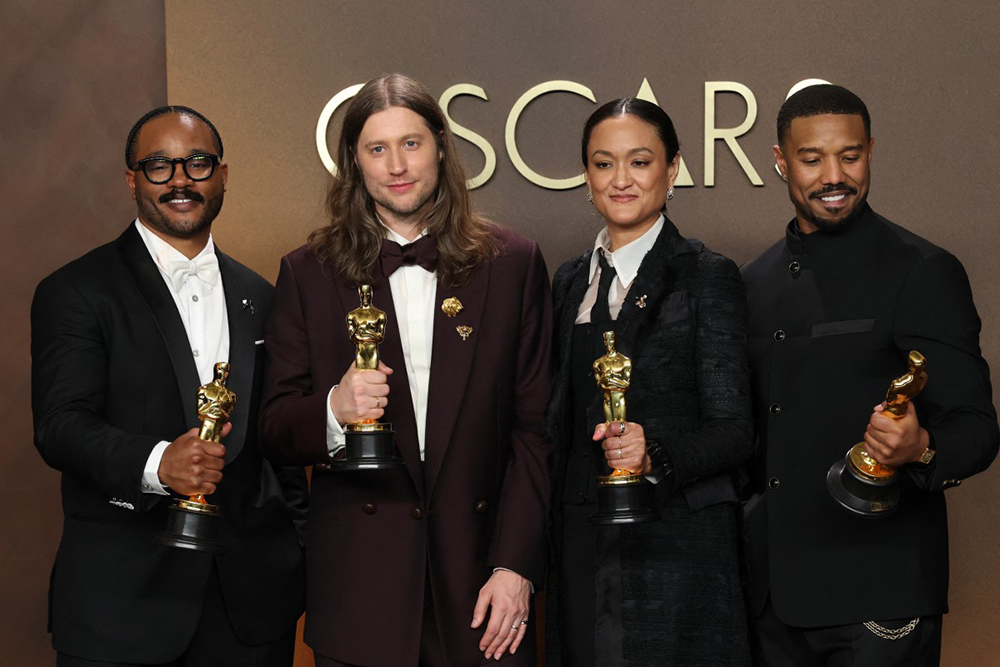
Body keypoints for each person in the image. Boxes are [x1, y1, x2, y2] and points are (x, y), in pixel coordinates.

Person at [258, 73, 552, 666]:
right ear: (354, 163)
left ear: (441, 147)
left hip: (483, 591)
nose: (397, 164)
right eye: (376, 148)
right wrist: (332, 412)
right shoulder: (307, 273)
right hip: (360, 593)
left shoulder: (514, 263)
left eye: (411, 143)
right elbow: (274, 429)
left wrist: (514, 565)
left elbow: (536, 431)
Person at [31, 106, 307, 666]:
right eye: (159, 165)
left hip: (250, 612)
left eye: (197, 163)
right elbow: (60, 426)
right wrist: (159, 464)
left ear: (223, 175)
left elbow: (276, 442)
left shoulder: (264, 296)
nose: (180, 179)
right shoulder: (77, 290)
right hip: (122, 608)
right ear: (132, 179)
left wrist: (296, 547)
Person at [741, 84, 999, 666]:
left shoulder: (924, 270)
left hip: (880, 599)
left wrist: (923, 448)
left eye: (850, 156)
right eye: (812, 159)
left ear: (871, 151)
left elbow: (978, 426)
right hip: (771, 602)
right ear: (781, 161)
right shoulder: (751, 283)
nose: (834, 175)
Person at [546, 98, 753, 666]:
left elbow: (736, 430)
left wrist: (654, 452)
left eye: (639, 162)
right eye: (603, 163)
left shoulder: (707, 275)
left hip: (676, 547)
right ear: (586, 175)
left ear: (674, 168)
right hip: (580, 540)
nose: (620, 180)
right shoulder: (568, 281)